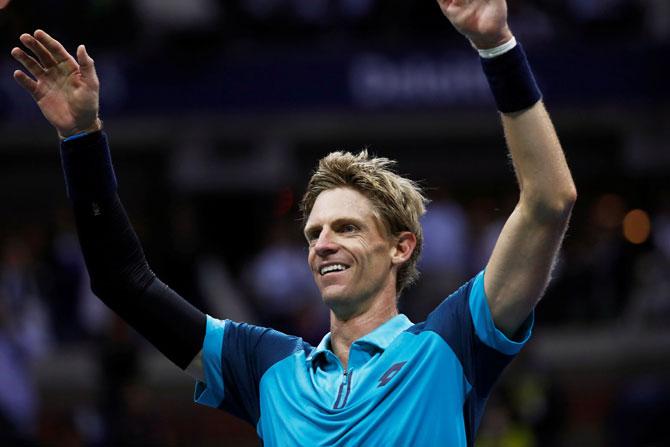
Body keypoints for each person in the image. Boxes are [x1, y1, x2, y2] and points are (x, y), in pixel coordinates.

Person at [10, 0, 576, 445]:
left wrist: (496, 45)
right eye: (314, 233)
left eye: (347, 228)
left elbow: (550, 199)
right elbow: (122, 282)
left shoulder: (451, 346)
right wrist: (81, 138)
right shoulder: (267, 366)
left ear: (402, 247)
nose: (323, 244)